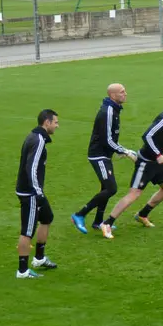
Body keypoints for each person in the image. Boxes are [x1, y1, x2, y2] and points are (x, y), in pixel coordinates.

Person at [99, 91, 163, 239]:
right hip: (147, 162)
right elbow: (147, 135)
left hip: (157, 161)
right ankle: (107, 223)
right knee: (134, 194)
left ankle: (142, 214)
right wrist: (158, 155)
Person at [71, 83, 137, 234]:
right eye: (122, 92)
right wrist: (125, 152)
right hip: (98, 155)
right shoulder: (107, 111)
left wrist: (121, 149)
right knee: (111, 188)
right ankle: (79, 214)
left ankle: (97, 222)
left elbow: (110, 137)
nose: (125, 94)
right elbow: (107, 139)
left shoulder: (114, 109)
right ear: (113, 96)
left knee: (105, 188)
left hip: (105, 154)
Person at [15, 109, 60, 278]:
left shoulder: (33, 136)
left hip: (30, 190)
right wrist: (38, 194)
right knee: (27, 231)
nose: (57, 125)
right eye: (55, 122)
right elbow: (31, 168)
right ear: (46, 122)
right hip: (30, 193)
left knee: (47, 217)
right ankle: (22, 270)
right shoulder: (39, 140)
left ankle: (39, 259)